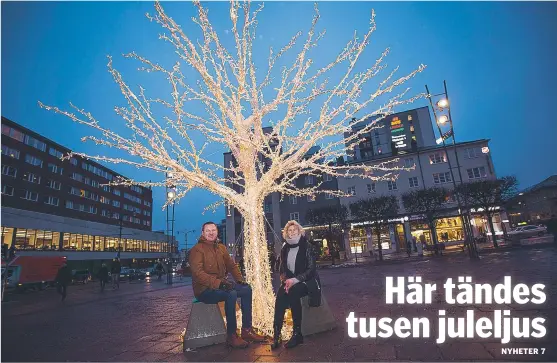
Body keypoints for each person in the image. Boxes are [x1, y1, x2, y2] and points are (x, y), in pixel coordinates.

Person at [189, 221, 265, 349]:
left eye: (213, 230)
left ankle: (246, 330)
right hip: (204, 290)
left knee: (246, 290)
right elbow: (198, 274)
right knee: (231, 294)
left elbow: (231, 265)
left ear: (217, 232)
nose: (211, 233)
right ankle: (231, 335)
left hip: (220, 286)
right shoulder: (197, 250)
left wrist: (240, 280)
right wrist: (219, 284)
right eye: (208, 230)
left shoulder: (221, 247)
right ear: (202, 233)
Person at [271, 220, 321, 350]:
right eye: (289, 230)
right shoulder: (285, 248)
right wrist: (285, 281)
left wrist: (295, 280)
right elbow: (281, 269)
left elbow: (311, 269)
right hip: (290, 282)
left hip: (306, 282)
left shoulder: (307, 246)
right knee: (281, 294)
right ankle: (277, 334)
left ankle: (297, 333)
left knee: (293, 292)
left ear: (300, 232)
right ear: (286, 233)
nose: (292, 232)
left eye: (294, 230)